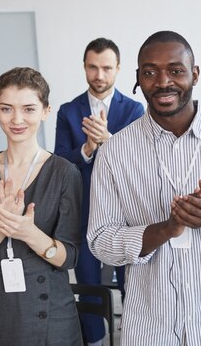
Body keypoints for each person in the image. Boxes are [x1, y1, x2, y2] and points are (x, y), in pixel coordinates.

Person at [87, 31, 201, 346]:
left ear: (195, 74)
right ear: (137, 79)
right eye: (150, 72)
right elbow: (101, 241)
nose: (162, 81)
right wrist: (166, 229)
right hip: (152, 325)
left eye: (175, 70)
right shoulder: (115, 152)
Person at [0, 67, 83, 346]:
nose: (17, 119)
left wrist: (27, 231)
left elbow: (68, 257)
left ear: (46, 111)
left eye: (29, 109)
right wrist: (2, 228)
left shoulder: (64, 173)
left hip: (52, 315)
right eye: (7, 109)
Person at [54, 38, 144, 345]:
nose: (99, 75)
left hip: (127, 215)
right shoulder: (67, 111)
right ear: (84, 67)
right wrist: (88, 149)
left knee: (130, 285)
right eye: (93, 67)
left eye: (106, 67)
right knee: (89, 287)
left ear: (118, 69)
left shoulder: (134, 109)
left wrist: (109, 140)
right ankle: (94, 340)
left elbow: (140, 160)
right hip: (83, 213)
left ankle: (133, 337)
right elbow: (61, 162)